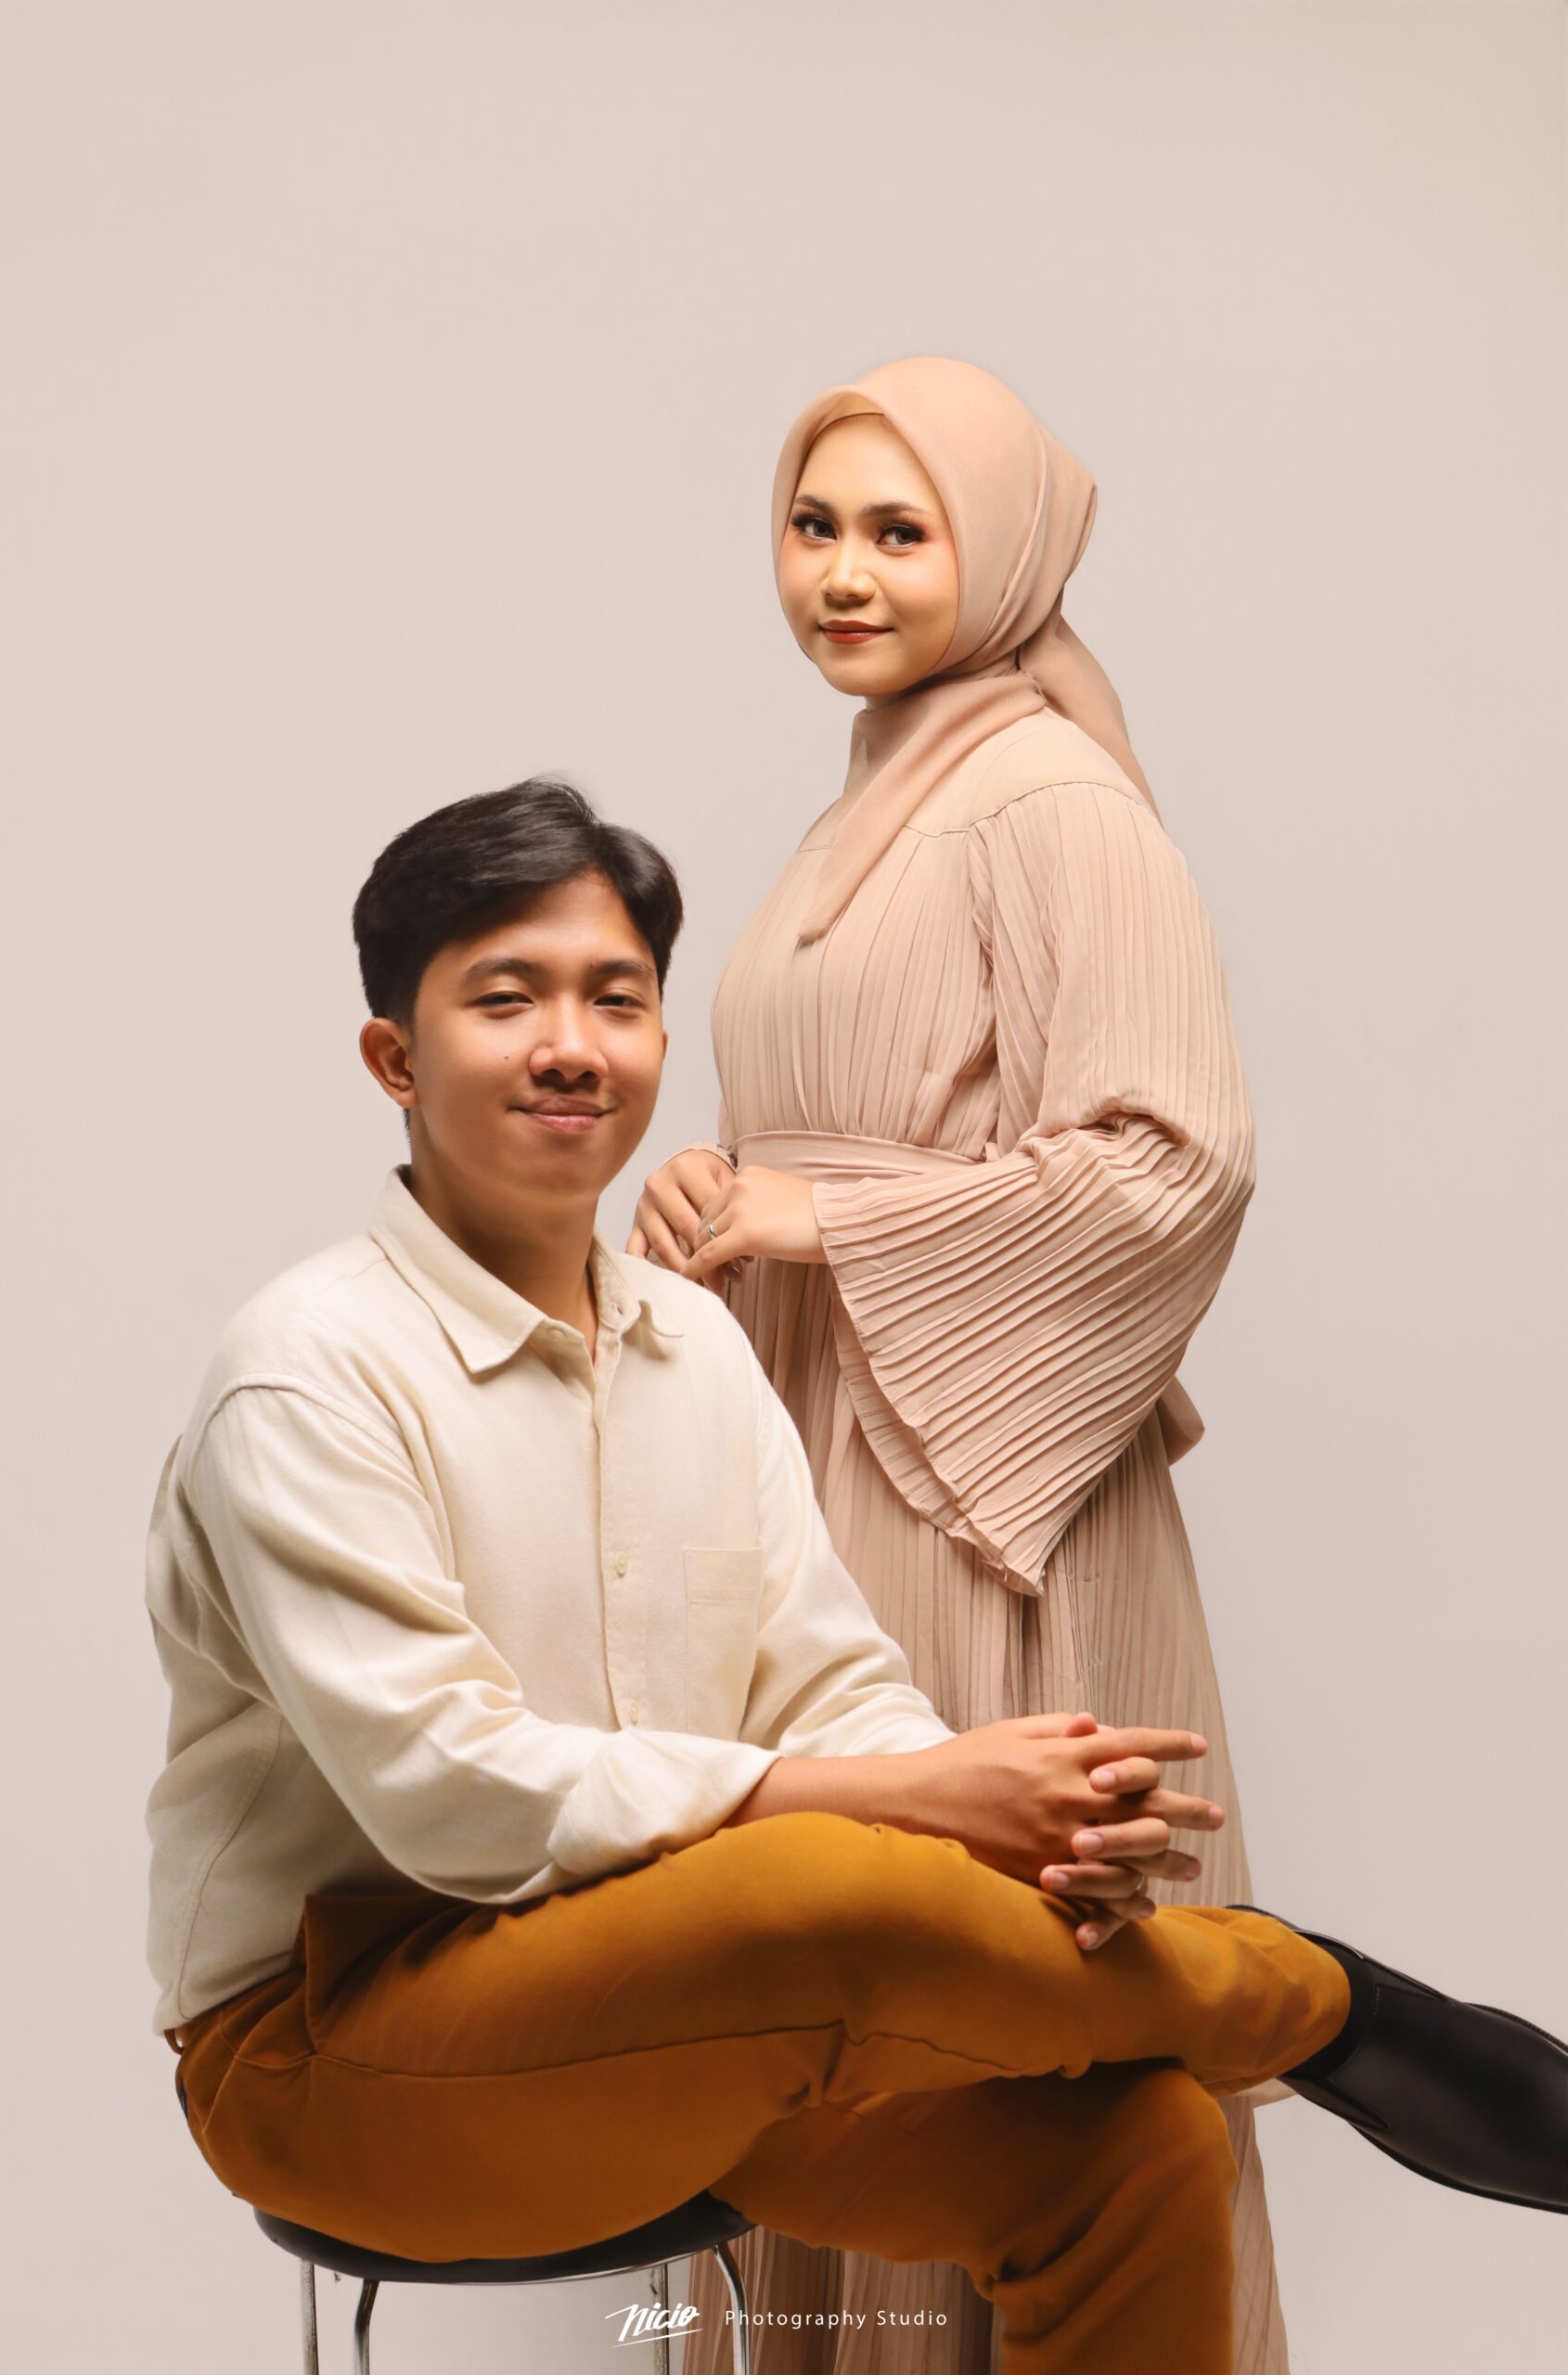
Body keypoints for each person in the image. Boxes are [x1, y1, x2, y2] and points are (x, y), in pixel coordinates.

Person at [146, 780, 1566, 2375]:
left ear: (661, 1037)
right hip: (336, 2053)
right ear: (395, 1058)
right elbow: (454, 1794)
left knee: (1136, 2138)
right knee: (819, 1882)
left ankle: (1268, 2011)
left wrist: (1012, 1842)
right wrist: (909, 1806)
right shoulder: (307, 1374)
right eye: (505, 999)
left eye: (616, 998)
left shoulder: (694, 1347)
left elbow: (830, 1686)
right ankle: (1318, 2005)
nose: (571, 1045)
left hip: (690, 2004)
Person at [624, 353, 1283, 2374]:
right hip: (826, 1450)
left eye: (899, 531)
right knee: (844, 1981)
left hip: (965, 1479)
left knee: (970, 1995)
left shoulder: (1045, 798)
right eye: (812, 524)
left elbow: (1175, 1160)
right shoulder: (882, 794)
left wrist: (828, 1218)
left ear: (995, 554)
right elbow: (847, 1122)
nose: (841, 572)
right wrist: (714, 1181)